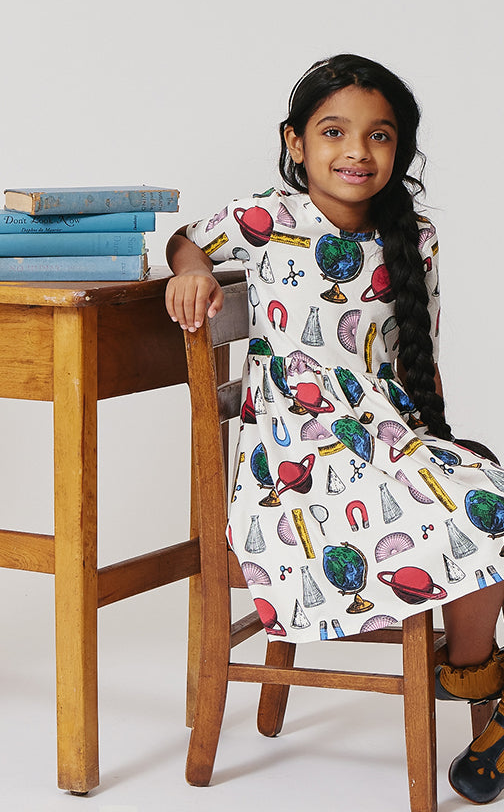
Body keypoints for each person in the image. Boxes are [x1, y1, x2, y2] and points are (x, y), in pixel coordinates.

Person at [165, 54, 504, 803]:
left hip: (388, 444)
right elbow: (187, 239)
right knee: (486, 513)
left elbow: (421, 361)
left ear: (399, 149)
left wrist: (443, 448)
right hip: (296, 466)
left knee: (493, 500)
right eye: (334, 132)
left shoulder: (415, 237)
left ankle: (470, 674)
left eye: (379, 135)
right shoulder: (267, 220)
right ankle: (482, 681)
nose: (357, 152)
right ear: (295, 142)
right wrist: (191, 270)